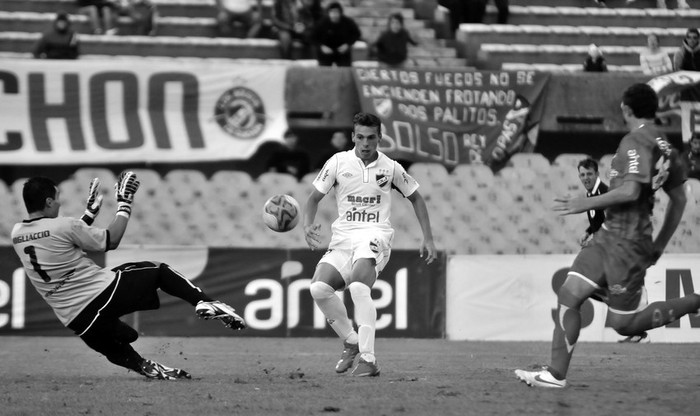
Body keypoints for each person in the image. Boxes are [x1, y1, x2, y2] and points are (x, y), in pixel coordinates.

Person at [515, 83, 694, 388]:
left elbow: (630, 190)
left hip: (628, 245)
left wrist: (585, 202)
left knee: (624, 325)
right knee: (569, 293)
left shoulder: (635, 140)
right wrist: (660, 245)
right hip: (608, 237)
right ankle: (555, 375)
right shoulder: (667, 146)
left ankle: (696, 301)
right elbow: (679, 200)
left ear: (625, 108)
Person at [11, 174, 246, 380]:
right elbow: (110, 240)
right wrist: (124, 203)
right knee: (158, 271)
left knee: (122, 340)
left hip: (76, 319)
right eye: (57, 197)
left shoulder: (18, 233)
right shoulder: (64, 225)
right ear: (49, 201)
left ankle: (144, 367)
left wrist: (89, 215)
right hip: (99, 294)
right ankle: (204, 302)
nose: (60, 202)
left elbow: (58, 239)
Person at [303, 112, 437, 377]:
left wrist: (428, 238)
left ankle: (368, 358)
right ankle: (351, 342)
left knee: (358, 286)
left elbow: (417, 199)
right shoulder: (338, 162)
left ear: (380, 138)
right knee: (319, 288)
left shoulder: (391, 168)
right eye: (360, 137)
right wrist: (307, 225)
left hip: (375, 235)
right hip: (343, 238)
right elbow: (313, 198)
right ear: (353, 137)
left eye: (371, 138)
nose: (365, 143)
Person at [311, 2, 361, 67]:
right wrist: (321, 46)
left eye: (336, 12)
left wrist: (348, 44)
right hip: (326, 52)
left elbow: (356, 34)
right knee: (324, 71)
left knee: (345, 70)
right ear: (328, 13)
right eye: (332, 12)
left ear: (340, 13)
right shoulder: (322, 23)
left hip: (342, 52)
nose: (334, 15)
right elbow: (312, 37)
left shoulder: (348, 22)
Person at [576, 158, 608, 247]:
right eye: (582, 175)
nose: (586, 178)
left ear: (597, 174)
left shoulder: (604, 193)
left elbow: (612, 224)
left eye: (589, 174)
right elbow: (599, 221)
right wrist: (588, 232)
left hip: (608, 249)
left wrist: (592, 244)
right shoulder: (590, 192)